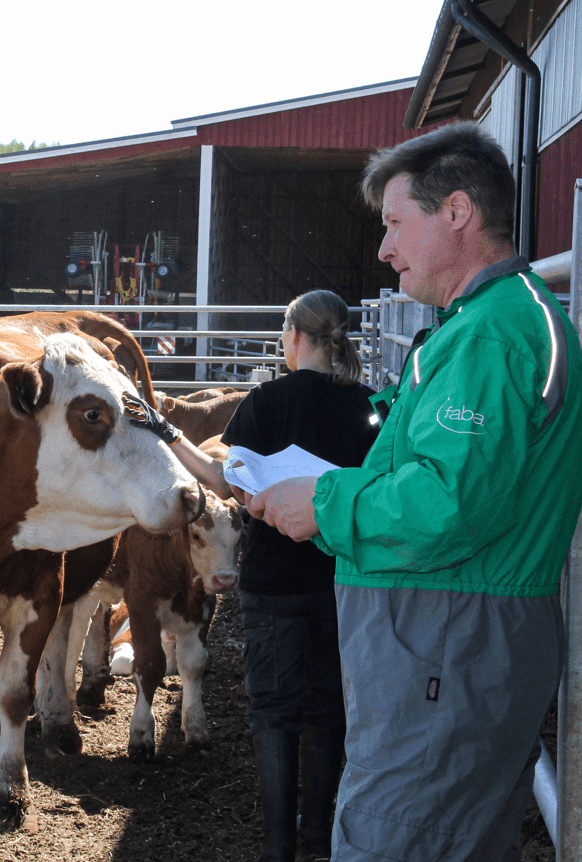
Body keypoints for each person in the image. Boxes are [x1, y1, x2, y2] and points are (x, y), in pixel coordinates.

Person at [246, 121, 582, 861]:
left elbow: (448, 504)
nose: (383, 248)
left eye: (396, 223)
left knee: (394, 840)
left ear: (456, 213)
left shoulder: (490, 336)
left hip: (447, 652)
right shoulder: (485, 324)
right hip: (455, 646)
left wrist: (324, 502)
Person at [126, 290, 378, 861]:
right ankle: (319, 836)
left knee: (273, 708)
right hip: (344, 579)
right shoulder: (372, 406)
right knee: (328, 704)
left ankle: (277, 846)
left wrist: (164, 431)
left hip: (273, 585)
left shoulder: (266, 401)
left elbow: (224, 482)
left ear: (294, 337)